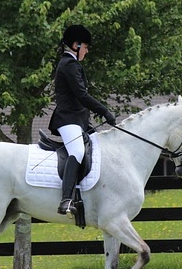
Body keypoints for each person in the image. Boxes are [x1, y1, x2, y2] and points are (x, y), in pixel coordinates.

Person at [48, 24, 116, 217]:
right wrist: (104, 111)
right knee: (77, 151)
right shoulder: (68, 64)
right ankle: (66, 200)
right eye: (86, 47)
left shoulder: (71, 64)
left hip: (77, 119)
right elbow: (81, 95)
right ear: (76, 45)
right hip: (67, 119)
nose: (87, 51)